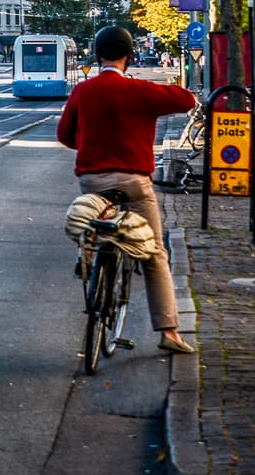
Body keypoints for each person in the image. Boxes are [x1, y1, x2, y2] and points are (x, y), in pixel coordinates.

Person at [57, 25, 198, 354]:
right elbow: (186, 99)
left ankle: (89, 250)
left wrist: (90, 142)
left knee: (93, 216)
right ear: (130, 56)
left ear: (97, 55)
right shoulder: (141, 91)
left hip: (92, 180)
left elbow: (65, 135)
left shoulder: (84, 91)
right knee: (153, 254)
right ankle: (169, 332)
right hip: (134, 183)